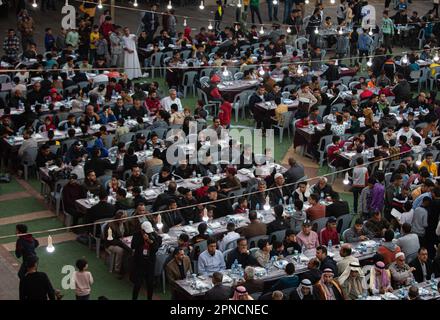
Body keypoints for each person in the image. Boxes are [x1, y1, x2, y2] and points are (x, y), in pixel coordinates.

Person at [131, 221, 162, 300]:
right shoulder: (137, 235)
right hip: (139, 262)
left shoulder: (154, 235)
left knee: (150, 284)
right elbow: (133, 246)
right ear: (142, 230)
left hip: (150, 262)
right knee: (137, 284)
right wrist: (142, 240)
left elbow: (156, 248)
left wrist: (149, 240)